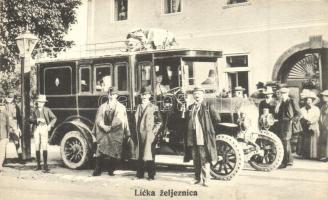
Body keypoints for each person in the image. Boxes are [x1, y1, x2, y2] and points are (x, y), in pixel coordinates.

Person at [184, 86, 221, 187]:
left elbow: (217, 119)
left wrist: (209, 130)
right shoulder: (191, 107)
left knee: (204, 159)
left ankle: (206, 180)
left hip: (203, 137)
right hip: (193, 137)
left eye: (199, 94)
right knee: (196, 159)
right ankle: (197, 178)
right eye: (195, 94)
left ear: (203, 95)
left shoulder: (208, 106)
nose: (197, 96)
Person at [92, 87, 130, 176]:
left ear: (116, 95)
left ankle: (111, 170)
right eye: (110, 94)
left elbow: (120, 120)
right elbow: (98, 118)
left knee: (115, 150)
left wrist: (110, 127)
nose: (112, 96)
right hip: (103, 131)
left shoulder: (121, 107)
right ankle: (98, 170)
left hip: (115, 131)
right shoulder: (102, 107)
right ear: (108, 95)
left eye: (114, 94)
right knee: (100, 150)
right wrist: (103, 126)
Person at [134, 87, 162, 180]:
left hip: (149, 135)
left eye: (146, 95)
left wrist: (153, 133)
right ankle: (139, 174)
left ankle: (151, 175)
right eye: (142, 95)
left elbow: (159, 122)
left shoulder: (154, 108)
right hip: (139, 135)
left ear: (150, 96)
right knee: (140, 154)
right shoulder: (137, 107)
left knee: (150, 154)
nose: (144, 96)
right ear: (140, 96)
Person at [30, 95, 57, 172]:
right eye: (39, 102)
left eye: (41, 102)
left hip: (44, 128)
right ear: (37, 102)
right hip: (36, 129)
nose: (40, 103)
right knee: (37, 146)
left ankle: (45, 166)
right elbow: (29, 120)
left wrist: (49, 126)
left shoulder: (47, 110)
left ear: (44, 103)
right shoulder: (34, 110)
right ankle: (38, 165)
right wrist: (37, 119)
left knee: (44, 146)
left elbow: (54, 118)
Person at [276, 87, 301, 168]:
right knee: (283, 142)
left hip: (288, 124)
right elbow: (278, 114)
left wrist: (292, 121)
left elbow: (298, 114)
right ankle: (286, 160)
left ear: (287, 94)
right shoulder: (281, 103)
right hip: (281, 124)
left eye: (284, 94)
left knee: (286, 141)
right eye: (281, 94)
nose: (282, 95)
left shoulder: (291, 101)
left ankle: (287, 161)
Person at [5, 90, 24, 164]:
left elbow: (19, 118)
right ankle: (3, 159)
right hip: (5, 125)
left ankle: (20, 158)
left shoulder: (16, 106)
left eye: (12, 95)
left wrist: (19, 128)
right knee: (4, 142)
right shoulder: (3, 105)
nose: (11, 96)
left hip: (14, 125)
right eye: (9, 94)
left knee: (17, 142)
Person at [300, 91, 320, 159]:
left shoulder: (316, 109)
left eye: (310, 100)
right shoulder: (302, 109)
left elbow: (317, 117)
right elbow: (300, 116)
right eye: (307, 100)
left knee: (313, 139)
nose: (308, 101)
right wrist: (304, 120)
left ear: (312, 101)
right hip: (305, 126)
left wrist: (311, 122)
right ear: (305, 101)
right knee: (305, 140)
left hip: (313, 125)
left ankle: (313, 155)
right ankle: (305, 154)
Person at [0, 88, 10, 174]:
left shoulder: (5, 114)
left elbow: (8, 125)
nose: (1, 107)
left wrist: (8, 137)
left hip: (3, 135)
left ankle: (0, 166)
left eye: (2, 105)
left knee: (2, 151)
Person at [319, 90, 328, 162]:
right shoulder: (324, 106)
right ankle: (325, 156)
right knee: (324, 141)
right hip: (324, 125)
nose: (323, 97)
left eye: (324, 96)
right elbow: (321, 115)